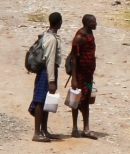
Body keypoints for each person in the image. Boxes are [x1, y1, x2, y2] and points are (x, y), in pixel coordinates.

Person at [29, 12, 62, 143]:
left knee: (47, 101)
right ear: (59, 23)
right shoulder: (51, 39)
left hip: (47, 72)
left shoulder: (47, 35)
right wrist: (52, 80)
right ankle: (37, 132)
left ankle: (44, 130)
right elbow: (49, 60)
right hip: (47, 72)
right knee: (40, 101)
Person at [68, 14, 99, 140]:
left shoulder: (90, 33)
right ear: (87, 23)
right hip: (80, 74)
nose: (96, 24)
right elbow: (74, 58)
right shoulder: (80, 37)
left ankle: (86, 128)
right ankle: (75, 127)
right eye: (93, 22)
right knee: (76, 100)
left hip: (88, 75)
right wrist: (74, 78)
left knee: (86, 101)